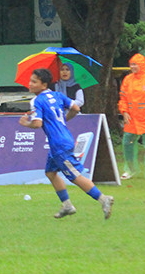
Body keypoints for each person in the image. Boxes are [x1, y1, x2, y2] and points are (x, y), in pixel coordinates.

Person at [19, 68, 114, 219]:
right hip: (64, 139)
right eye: (30, 81)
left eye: (34, 82)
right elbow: (76, 108)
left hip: (59, 145)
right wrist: (63, 121)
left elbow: (37, 124)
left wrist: (26, 124)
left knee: (74, 176)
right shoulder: (57, 95)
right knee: (50, 173)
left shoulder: (37, 101)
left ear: (43, 85)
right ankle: (67, 205)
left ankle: (103, 199)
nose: (30, 84)